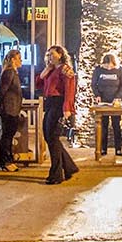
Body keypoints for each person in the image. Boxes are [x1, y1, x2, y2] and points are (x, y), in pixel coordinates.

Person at [38, 46, 80, 184]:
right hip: (49, 103)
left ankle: (56, 174)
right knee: (49, 136)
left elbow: (69, 89)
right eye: (48, 54)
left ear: (60, 54)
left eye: (52, 54)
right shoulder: (51, 70)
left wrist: (67, 108)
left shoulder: (65, 69)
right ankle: (69, 166)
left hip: (58, 103)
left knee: (53, 137)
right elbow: (39, 83)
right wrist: (46, 71)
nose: (49, 57)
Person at [91, 52, 122, 157]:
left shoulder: (119, 69)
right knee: (103, 126)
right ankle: (103, 149)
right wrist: (97, 95)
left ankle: (118, 149)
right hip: (103, 101)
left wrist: (118, 96)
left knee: (116, 125)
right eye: (107, 65)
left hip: (115, 101)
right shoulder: (98, 70)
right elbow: (94, 84)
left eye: (111, 65)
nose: (109, 68)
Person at [0, 49, 24, 172]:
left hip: (13, 108)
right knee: (7, 135)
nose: (21, 61)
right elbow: (3, 89)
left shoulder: (13, 73)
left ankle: (7, 160)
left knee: (8, 135)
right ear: (13, 60)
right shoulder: (10, 72)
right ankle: (5, 161)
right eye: (19, 58)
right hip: (9, 109)